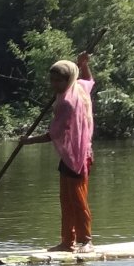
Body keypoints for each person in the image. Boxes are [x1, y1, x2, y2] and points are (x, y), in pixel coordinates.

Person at [23, 52, 96, 252]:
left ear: (68, 79)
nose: (54, 85)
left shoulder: (67, 102)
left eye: (58, 81)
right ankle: (67, 241)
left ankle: (86, 241)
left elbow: (53, 134)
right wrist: (84, 64)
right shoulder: (78, 87)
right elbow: (89, 79)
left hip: (79, 157)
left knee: (77, 199)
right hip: (69, 156)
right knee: (65, 200)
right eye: (52, 80)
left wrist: (27, 142)